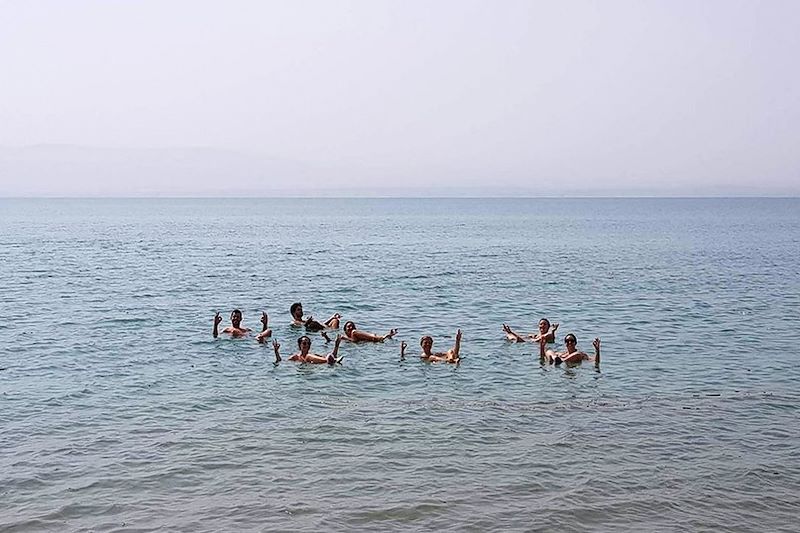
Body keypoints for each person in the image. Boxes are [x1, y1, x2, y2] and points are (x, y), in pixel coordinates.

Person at [272, 334, 344, 365]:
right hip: (305, 371)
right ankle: (333, 361)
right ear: (299, 345)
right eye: (304, 343)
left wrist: (336, 346)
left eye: (307, 343)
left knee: (309, 356)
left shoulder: (313, 355)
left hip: (315, 367)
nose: (306, 345)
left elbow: (332, 356)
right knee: (308, 356)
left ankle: (333, 361)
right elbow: (281, 362)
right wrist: (276, 352)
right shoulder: (295, 357)